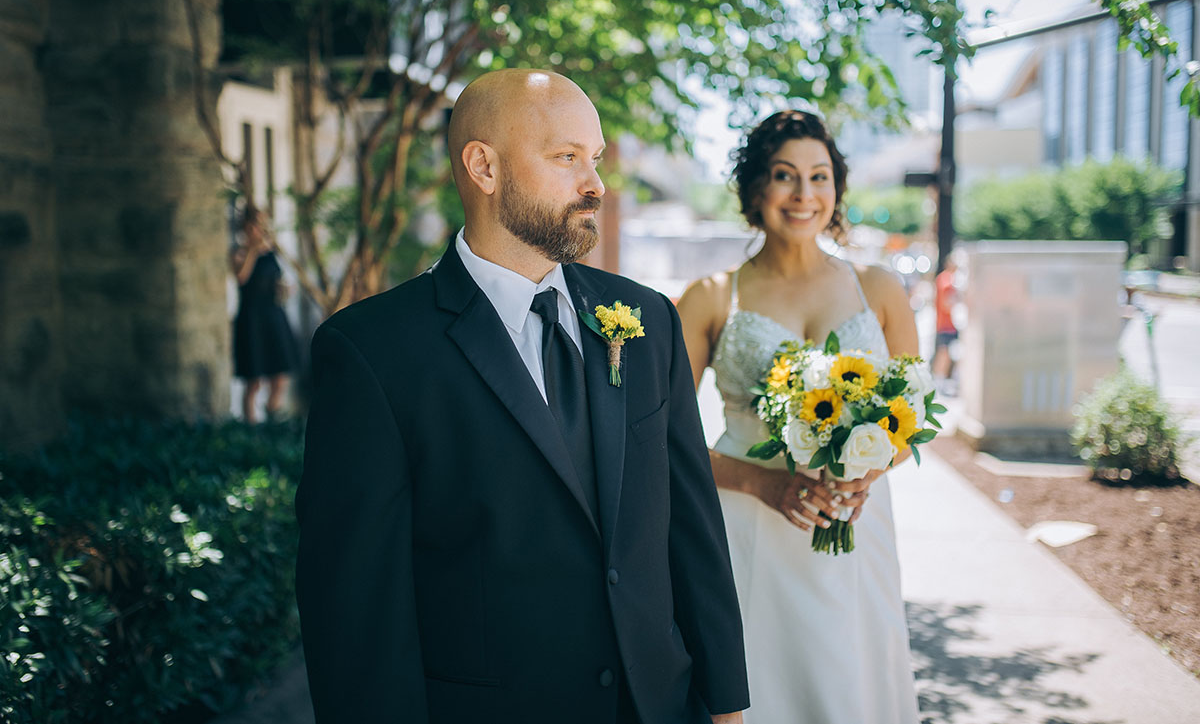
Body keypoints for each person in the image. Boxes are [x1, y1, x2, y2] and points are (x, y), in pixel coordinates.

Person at [295, 69, 749, 724]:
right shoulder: (372, 352)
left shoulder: (648, 320)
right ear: (483, 166)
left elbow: (691, 526)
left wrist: (727, 701)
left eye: (593, 159)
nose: (594, 183)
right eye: (566, 158)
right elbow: (357, 609)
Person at [677, 110, 920, 724]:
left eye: (819, 177)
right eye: (785, 176)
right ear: (756, 187)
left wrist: (866, 472)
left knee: (853, 679)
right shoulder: (711, 296)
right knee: (762, 684)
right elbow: (659, 437)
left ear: (836, 188)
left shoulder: (880, 289)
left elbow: (913, 415)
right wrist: (763, 482)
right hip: (748, 523)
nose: (804, 194)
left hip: (855, 523)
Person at [230, 209, 299, 423]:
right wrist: (252, 249)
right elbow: (241, 277)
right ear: (244, 228)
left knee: (280, 377)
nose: (255, 231)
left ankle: (273, 419)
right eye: (251, 226)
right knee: (254, 381)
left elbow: (280, 282)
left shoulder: (272, 252)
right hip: (251, 320)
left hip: (273, 317)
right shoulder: (238, 253)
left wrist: (286, 289)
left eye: (259, 226)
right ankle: (251, 428)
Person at [932, 260, 958, 390]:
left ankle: (940, 379)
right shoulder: (948, 280)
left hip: (943, 322)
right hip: (947, 324)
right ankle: (939, 380)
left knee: (945, 352)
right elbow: (945, 304)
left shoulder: (941, 278)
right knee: (945, 352)